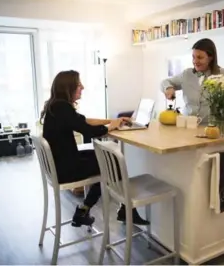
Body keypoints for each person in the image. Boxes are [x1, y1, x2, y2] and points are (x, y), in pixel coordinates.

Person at [41, 70, 150, 227]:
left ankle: (90, 210)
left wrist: (112, 121)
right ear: (68, 87)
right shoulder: (62, 108)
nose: (82, 87)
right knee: (113, 163)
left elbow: (84, 121)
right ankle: (123, 210)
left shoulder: (57, 106)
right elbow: (89, 131)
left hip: (60, 163)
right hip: (65, 170)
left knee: (109, 160)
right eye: (79, 85)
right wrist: (110, 127)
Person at [161, 38, 224, 124]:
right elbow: (164, 82)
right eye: (193, 57)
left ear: (210, 58)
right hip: (187, 127)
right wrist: (168, 88)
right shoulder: (187, 74)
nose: (195, 61)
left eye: (200, 57)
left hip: (213, 128)